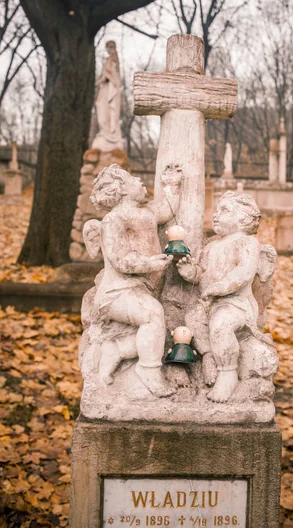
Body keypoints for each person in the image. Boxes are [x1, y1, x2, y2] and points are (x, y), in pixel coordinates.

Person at [83, 163, 182, 397]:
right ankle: (149, 371)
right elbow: (120, 259)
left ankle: (115, 350)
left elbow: (167, 208)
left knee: (156, 325)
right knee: (152, 315)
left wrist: (172, 183)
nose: (140, 180)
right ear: (122, 190)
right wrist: (150, 264)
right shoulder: (114, 219)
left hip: (138, 288)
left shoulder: (146, 212)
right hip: (115, 292)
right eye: (133, 179)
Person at [177, 191, 262, 402]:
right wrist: (191, 273)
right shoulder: (211, 247)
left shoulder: (247, 243)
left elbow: (244, 273)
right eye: (216, 210)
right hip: (210, 303)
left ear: (243, 218)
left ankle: (228, 373)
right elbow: (202, 274)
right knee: (192, 320)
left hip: (236, 304)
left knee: (221, 324)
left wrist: (221, 287)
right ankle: (208, 357)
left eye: (224, 210)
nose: (215, 215)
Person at [92, 40, 123, 151]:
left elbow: (110, 74)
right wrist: (99, 82)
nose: (108, 50)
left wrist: (100, 82)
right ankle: (105, 132)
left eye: (109, 48)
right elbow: (107, 75)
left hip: (111, 88)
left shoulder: (112, 60)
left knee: (106, 108)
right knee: (100, 106)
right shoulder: (110, 59)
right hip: (107, 87)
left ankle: (110, 134)